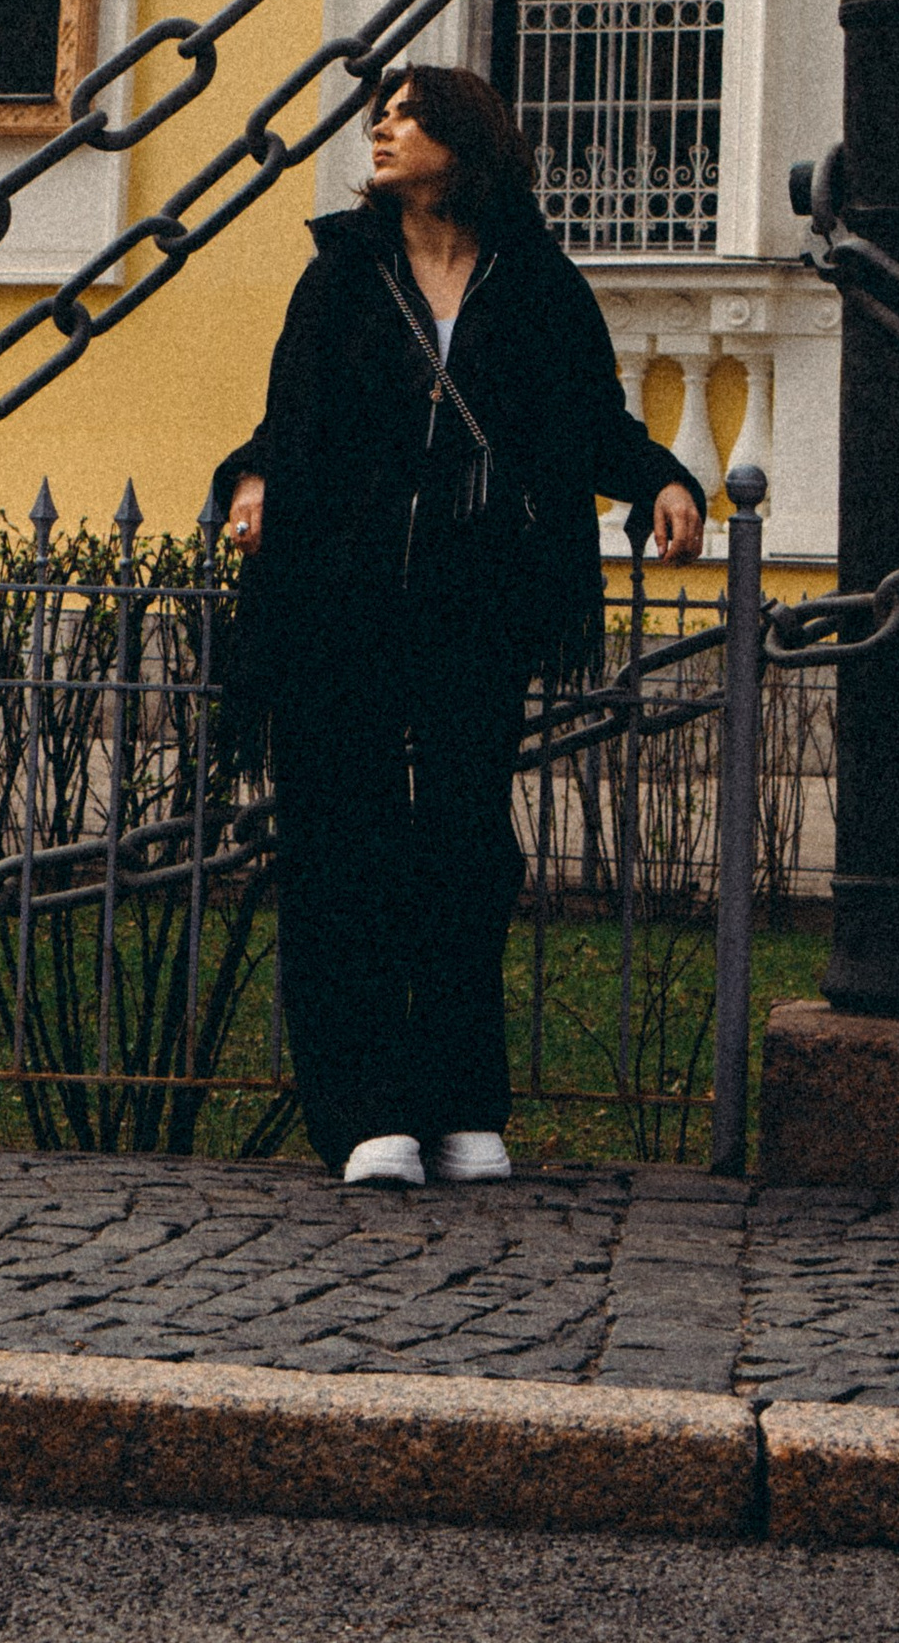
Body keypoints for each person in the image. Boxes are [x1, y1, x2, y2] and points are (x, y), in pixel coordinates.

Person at [214, 64, 706, 1188]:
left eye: (407, 113)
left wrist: (662, 478)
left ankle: (459, 1100)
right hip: (338, 597)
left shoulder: (533, 279)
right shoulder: (342, 273)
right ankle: (361, 1111)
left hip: (471, 600)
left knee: (467, 848)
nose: (382, 129)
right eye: (380, 116)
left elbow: (587, 419)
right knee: (341, 841)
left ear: (465, 139)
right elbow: (289, 416)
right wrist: (250, 481)